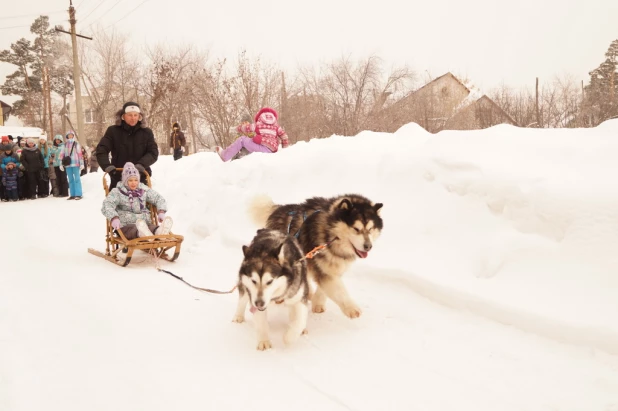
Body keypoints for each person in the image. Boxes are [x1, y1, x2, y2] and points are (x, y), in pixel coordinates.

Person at [101, 162, 173, 262]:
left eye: (136, 180)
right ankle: (142, 233)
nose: (133, 183)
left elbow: (158, 198)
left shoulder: (143, 189)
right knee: (135, 229)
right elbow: (107, 205)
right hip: (125, 225)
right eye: (130, 180)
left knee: (150, 227)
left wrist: (161, 210)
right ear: (125, 180)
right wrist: (113, 218)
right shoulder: (117, 192)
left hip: (144, 222)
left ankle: (159, 231)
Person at [96, 102, 159, 189]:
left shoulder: (146, 132)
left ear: (139, 116)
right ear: (123, 116)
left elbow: (153, 152)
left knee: (142, 202)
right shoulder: (113, 131)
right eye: (129, 115)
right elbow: (101, 150)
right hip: (118, 177)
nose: (133, 118)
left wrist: (141, 164)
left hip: (140, 177)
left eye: (135, 115)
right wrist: (107, 166)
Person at [215, 107, 290, 162]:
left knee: (242, 140)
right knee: (252, 141)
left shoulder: (258, 124)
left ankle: (224, 155)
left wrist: (236, 128)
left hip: (262, 149)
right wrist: (284, 150)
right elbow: (284, 137)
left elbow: (246, 128)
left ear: (260, 116)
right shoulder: (276, 126)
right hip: (272, 151)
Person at [58, 131, 84, 200]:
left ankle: (78, 194)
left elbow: (80, 154)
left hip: (76, 163)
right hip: (68, 164)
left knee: (77, 179)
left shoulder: (76, 144)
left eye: (71, 135)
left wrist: (82, 163)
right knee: (70, 179)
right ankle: (72, 194)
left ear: (73, 136)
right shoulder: (65, 144)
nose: (70, 136)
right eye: (68, 135)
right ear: (67, 136)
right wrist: (60, 164)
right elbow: (61, 154)